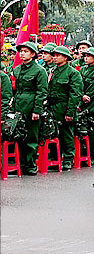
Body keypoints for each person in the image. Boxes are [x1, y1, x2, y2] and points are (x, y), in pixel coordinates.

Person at [10, 42, 48, 176]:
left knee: (31, 138)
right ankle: (21, 165)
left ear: (33, 54)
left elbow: (42, 92)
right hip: (19, 106)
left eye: (25, 51)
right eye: (21, 51)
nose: (22, 53)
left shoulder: (39, 70)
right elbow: (15, 89)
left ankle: (31, 166)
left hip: (32, 106)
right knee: (19, 136)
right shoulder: (17, 69)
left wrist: (37, 110)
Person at [47, 46, 83, 170]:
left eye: (58, 55)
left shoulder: (73, 73)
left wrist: (70, 112)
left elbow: (75, 94)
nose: (55, 58)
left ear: (66, 57)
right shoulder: (53, 71)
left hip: (65, 107)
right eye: (54, 55)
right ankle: (55, 157)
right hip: (53, 108)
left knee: (67, 134)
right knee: (52, 133)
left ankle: (68, 159)